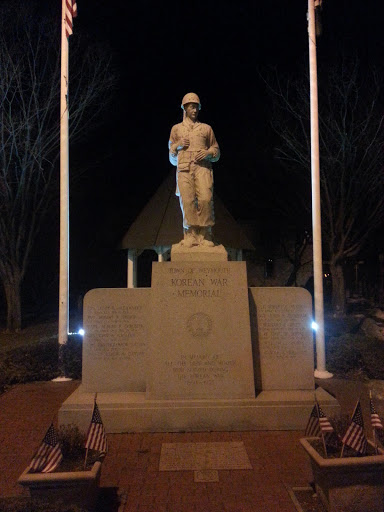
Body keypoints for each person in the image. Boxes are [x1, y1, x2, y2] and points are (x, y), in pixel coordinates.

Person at [169, 93, 220, 247]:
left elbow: (216, 150)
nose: (194, 109)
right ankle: (190, 233)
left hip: (202, 168)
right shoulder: (176, 129)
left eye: (196, 106)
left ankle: (205, 234)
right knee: (188, 201)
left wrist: (209, 153)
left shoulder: (206, 128)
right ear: (185, 108)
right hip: (184, 169)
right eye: (191, 106)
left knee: (205, 198)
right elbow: (171, 158)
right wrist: (177, 145)